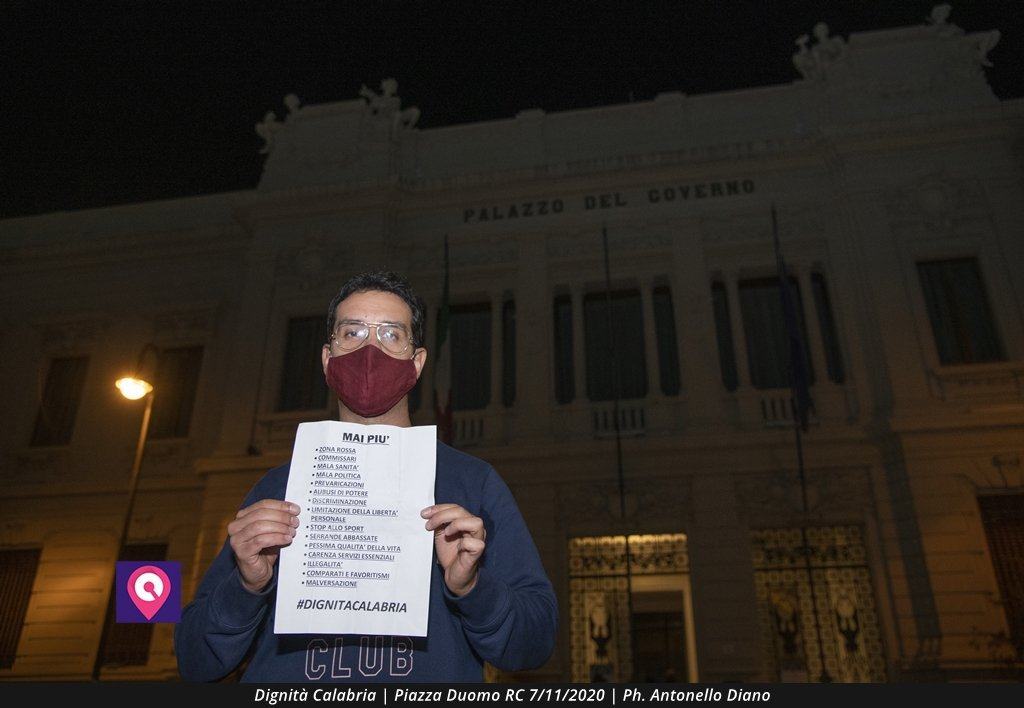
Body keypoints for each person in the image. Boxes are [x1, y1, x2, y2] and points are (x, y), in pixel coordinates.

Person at [174, 271, 558, 682]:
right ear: (327, 359)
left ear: (417, 362)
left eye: (391, 335)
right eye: (352, 332)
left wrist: (471, 589)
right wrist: (247, 585)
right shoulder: (277, 488)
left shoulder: (473, 483)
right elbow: (196, 661)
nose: (369, 349)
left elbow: (534, 643)